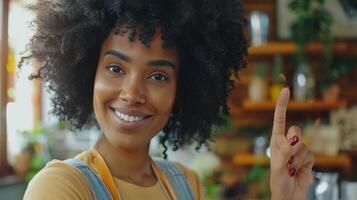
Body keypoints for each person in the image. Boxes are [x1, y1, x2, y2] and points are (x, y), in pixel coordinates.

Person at [21, 0, 315, 199]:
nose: (132, 94)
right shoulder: (61, 187)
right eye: (115, 68)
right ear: (88, 74)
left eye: (158, 76)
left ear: (182, 88)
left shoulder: (185, 184)